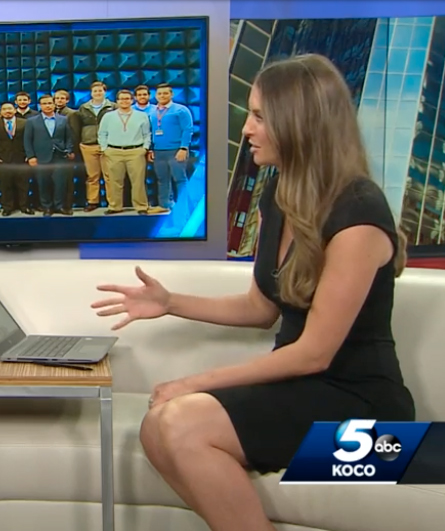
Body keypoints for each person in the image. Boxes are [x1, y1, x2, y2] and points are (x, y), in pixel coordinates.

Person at [90, 53, 415, 531]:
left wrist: (196, 382)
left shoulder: (358, 212)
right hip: (305, 394)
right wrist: (170, 303)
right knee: (156, 430)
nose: (247, 129)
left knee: (180, 421)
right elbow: (260, 307)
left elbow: (314, 353)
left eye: (260, 116)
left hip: (366, 413)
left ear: (298, 123)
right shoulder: (281, 195)